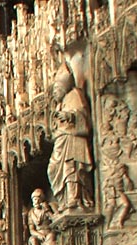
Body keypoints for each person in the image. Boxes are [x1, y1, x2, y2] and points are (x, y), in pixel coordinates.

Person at [48, 63, 94, 210]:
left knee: (71, 168)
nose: (55, 93)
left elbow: (83, 116)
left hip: (73, 139)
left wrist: (69, 115)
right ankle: (64, 200)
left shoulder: (75, 95)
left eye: (56, 90)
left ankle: (74, 198)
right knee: (53, 168)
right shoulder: (60, 104)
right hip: (62, 139)